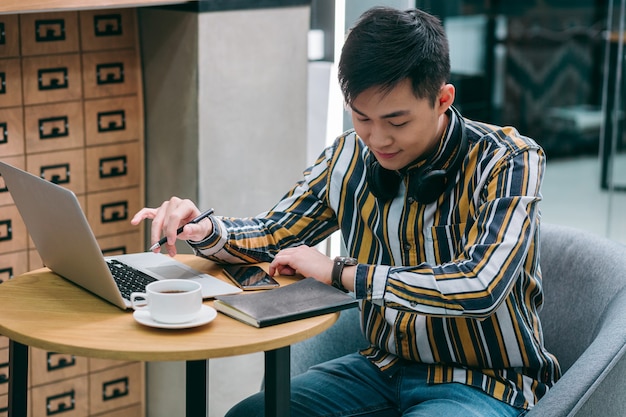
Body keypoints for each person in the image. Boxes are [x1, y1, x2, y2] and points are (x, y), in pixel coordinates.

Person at [132, 6, 560, 417]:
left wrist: (339, 272)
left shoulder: (509, 160)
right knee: (250, 413)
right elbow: (276, 233)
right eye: (362, 117)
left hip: (486, 381)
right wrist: (204, 229)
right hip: (382, 366)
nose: (378, 139)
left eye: (397, 121)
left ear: (443, 98)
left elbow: (480, 285)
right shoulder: (348, 156)